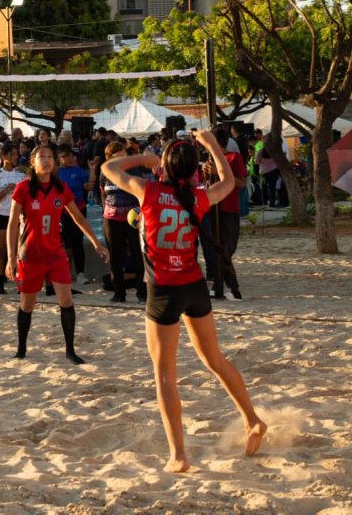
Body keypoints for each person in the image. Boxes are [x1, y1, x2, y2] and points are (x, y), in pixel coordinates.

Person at [102, 130, 267, 472]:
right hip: (193, 286)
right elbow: (227, 179)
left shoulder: (148, 191)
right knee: (215, 360)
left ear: (163, 167)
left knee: (165, 375)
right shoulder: (199, 197)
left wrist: (144, 159)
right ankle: (252, 419)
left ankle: (178, 455)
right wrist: (211, 144)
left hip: (163, 291)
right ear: (193, 170)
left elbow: (108, 167)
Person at [5, 145, 110, 364]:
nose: (46, 160)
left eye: (50, 157)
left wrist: (96, 243)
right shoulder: (23, 188)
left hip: (54, 253)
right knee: (27, 304)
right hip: (30, 254)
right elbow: (12, 223)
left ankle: (70, 350)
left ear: (55, 162)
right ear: (33, 161)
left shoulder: (60, 188)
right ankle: (22, 348)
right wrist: (10, 256)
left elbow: (79, 218)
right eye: (41, 156)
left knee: (66, 300)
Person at [200, 127, 248, 300]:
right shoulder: (209, 159)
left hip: (228, 209)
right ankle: (227, 287)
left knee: (227, 249)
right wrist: (206, 173)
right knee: (216, 250)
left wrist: (219, 173)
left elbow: (241, 183)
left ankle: (230, 286)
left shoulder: (234, 158)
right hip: (211, 209)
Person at [101, 141, 148, 303]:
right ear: (110, 158)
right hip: (111, 218)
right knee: (116, 257)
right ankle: (119, 293)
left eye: (123, 153)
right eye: (117, 154)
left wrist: (142, 213)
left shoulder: (134, 170)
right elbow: (102, 194)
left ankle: (142, 293)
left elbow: (142, 192)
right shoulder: (105, 172)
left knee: (138, 255)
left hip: (133, 218)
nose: (121, 156)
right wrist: (105, 212)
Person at [57, 145, 98, 285]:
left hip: (79, 209)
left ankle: (80, 273)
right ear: (59, 159)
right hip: (62, 212)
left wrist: (92, 170)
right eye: (65, 156)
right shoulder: (56, 173)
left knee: (78, 242)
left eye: (71, 156)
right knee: (66, 244)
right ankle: (67, 273)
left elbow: (89, 187)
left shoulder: (79, 171)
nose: (69, 158)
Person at [0, 142, 25, 294]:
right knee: (2, 251)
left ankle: (20, 284)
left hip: (17, 218)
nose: (16, 157)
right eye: (13, 154)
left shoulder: (21, 175)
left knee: (19, 252)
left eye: (17, 154)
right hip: (2, 216)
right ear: (4, 156)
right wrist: (6, 190)